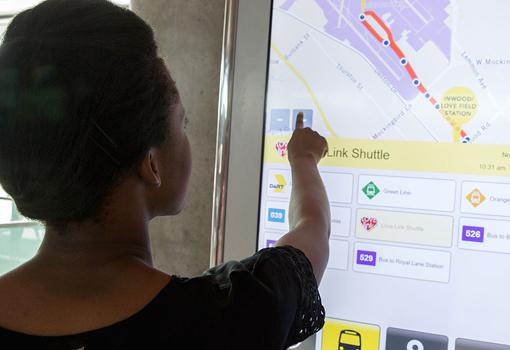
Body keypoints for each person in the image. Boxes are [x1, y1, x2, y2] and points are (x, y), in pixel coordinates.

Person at [0, 0, 331, 349]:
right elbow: (313, 231)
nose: (187, 135)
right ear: (151, 164)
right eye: (182, 124)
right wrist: (304, 158)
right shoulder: (228, 320)